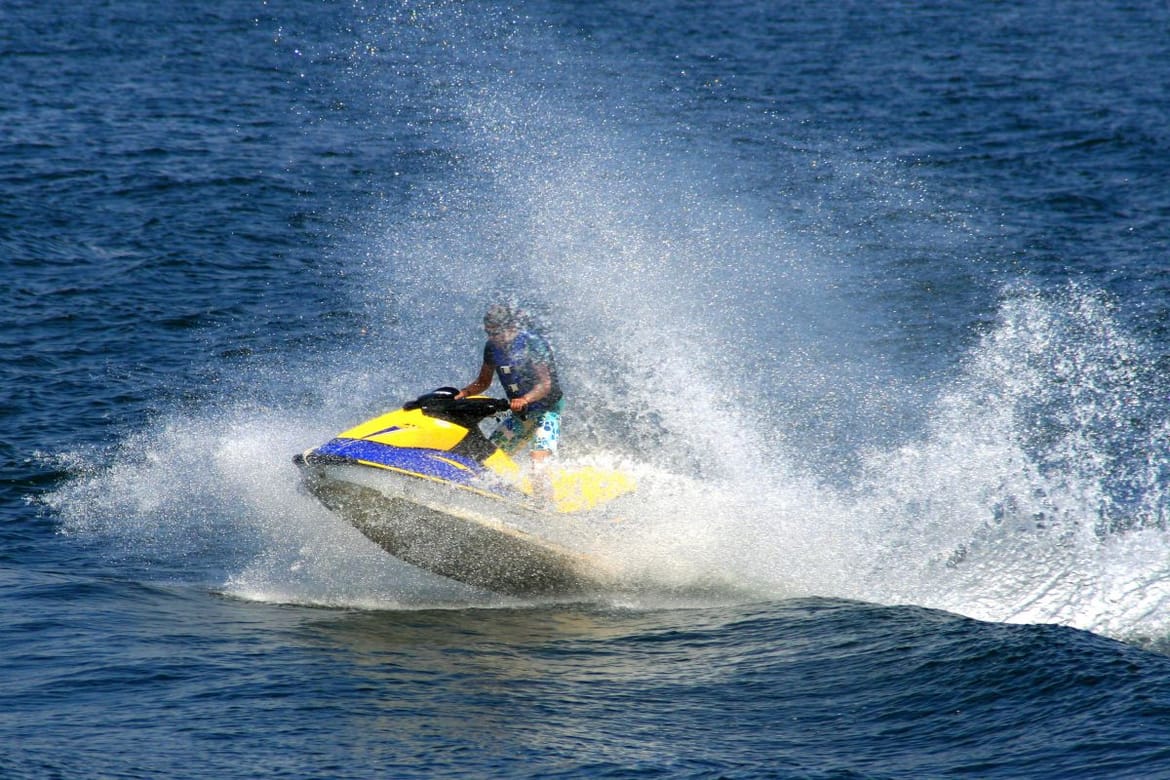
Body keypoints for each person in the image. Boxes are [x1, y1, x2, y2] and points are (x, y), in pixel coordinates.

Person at [455, 304, 564, 498]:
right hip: (522, 413)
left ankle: (545, 506)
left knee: (538, 462)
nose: (491, 338)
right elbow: (482, 382)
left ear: (511, 327)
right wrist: (462, 394)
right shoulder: (491, 348)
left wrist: (524, 399)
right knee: (487, 457)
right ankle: (491, 496)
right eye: (488, 333)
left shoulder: (533, 343)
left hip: (547, 410)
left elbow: (545, 384)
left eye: (495, 333)